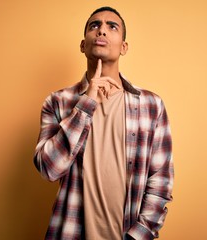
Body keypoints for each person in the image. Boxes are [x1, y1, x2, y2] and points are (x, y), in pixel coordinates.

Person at [34, 6, 173, 240]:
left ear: (124, 47)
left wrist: (138, 235)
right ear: (82, 44)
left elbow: (160, 182)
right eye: (94, 26)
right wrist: (87, 102)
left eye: (112, 26)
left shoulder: (152, 106)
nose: (102, 31)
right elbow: (49, 168)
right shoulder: (57, 102)